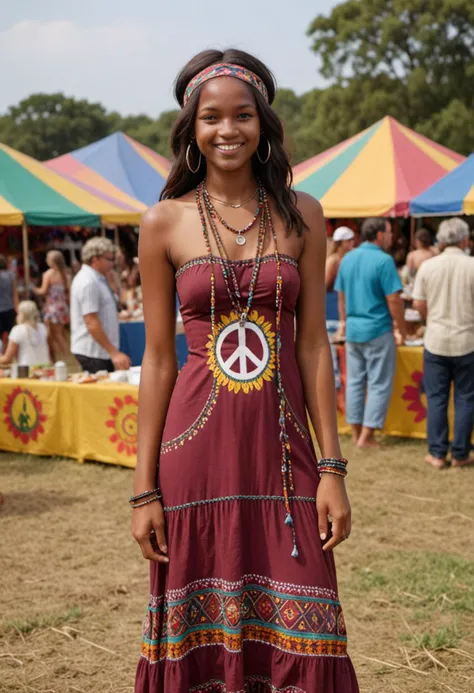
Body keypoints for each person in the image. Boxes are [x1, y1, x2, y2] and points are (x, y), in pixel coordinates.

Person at [132, 49, 358, 693]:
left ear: (263, 124)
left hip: (284, 457)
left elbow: (313, 345)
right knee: (200, 634)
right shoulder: (162, 222)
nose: (226, 130)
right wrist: (144, 489)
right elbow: (157, 359)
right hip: (194, 457)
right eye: (210, 118)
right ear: (191, 130)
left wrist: (334, 468)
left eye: (242, 115)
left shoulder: (301, 213)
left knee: (308, 616)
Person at [335, 217, 407, 448]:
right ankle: (366, 437)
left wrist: (344, 323)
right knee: (378, 384)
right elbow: (394, 299)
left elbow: (341, 296)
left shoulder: (348, 259)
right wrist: (401, 328)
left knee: (355, 382)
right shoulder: (384, 261)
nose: (391, 237)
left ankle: (358, 435)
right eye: (388, 233)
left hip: (355, 330)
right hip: (377, 329)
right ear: (378, 236)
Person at [412, 218, 474, 469]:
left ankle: (437, 454)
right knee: (466, 398)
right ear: (464, 240)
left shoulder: (428, 266)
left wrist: (431, 317)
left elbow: (418, 303)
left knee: (437, 398)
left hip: (436, 339)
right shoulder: (471, 265)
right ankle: (460, 453)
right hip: (467, 339)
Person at [70, 237, 131, 374]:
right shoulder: (88, 281)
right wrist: (113, 352)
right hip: (93, 352)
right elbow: (91, 321)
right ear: (95, 259)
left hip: (98, 351)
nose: (112, 264)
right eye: (109, 259)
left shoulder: (96, 278)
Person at [33, 249, 70, 361]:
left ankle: (66, 357)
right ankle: (52, 357)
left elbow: (43, 291)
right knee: (51, 334)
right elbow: (68, 292)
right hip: (62, 307)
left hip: (53, 308)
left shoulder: (48, 274)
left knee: (57, 335)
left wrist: (33, 289)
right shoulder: (66, 273)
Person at [0, 300, 50, 366]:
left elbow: (7, 359)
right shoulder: (42, 327)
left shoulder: (18, 329)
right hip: (45, 368)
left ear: (23, 315)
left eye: (18, 313)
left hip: (26, 371)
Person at [325, 226, 356, 291]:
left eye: (352, 239)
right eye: (348, 240)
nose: (352, 242)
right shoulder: (333, 260)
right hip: (333, 298)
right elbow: (325, 285)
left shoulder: (351, 257)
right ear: (339, 243)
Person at [0, 255, 19, 355]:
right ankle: (4, 354)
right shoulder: (11, 275)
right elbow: (14, 293)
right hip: (9, 308)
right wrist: (17, 309)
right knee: (7, 335)